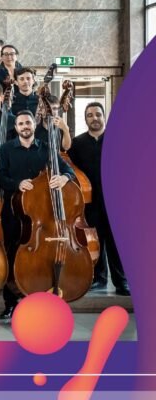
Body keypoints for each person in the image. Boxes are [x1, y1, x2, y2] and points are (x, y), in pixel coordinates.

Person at [0, 110, 75, 319]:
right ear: (16, 127)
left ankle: (38, 298)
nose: (25, 126)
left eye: (28, 123)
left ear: (34, 124)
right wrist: (17, 183)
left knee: (40, 258)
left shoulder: (46, 148)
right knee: (12, 255)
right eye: (21, 123)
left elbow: (69, 171)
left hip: (41, 215)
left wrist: (64, 178)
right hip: (14, 212)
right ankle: (10, 303)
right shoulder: (6, 149)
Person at [68, 102, 129, 295]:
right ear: (85, 119)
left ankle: (121, 282)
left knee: (116, 243)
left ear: (104, 116)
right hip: (90, 201)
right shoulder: (77, 144)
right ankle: (98, 279)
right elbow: (69, 168)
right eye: (90, 115)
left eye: (97, 114)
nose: (94, 118)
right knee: (95, 240)